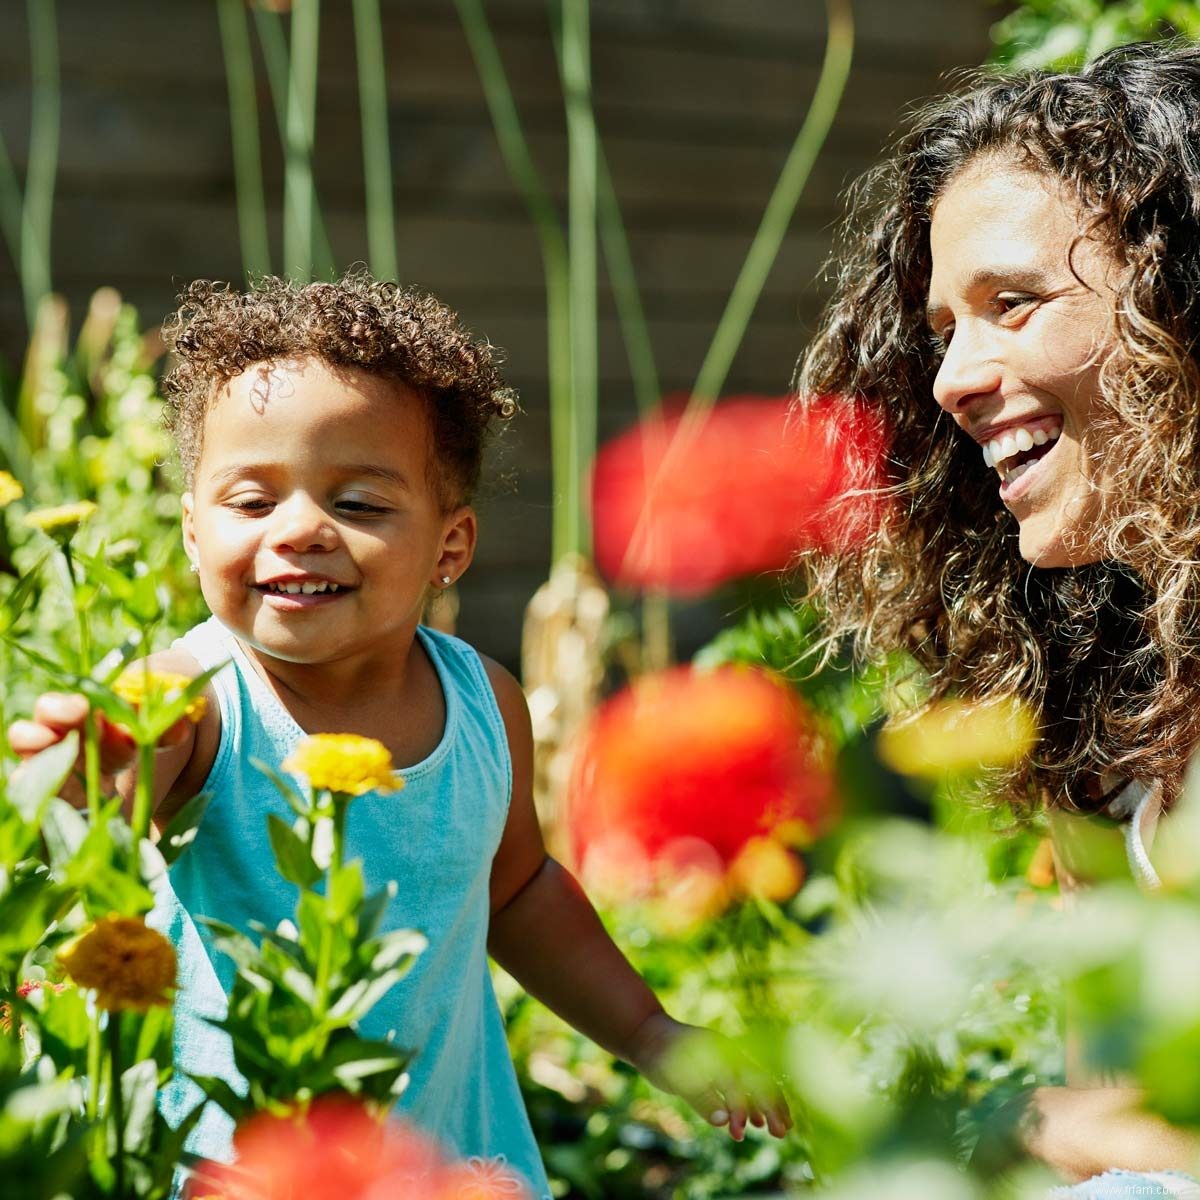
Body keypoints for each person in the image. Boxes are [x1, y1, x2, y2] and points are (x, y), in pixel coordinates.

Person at [9, 274, 790, 1199]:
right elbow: (129, 777)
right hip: (246, 1167)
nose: (300, 530)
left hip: (449, 1152)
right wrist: (92, 776)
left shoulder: (482, 702)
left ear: (449, 548)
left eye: (360, 505)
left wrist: (653, 1033)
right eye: (251, 502)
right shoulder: (198, 697)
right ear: (190, 530)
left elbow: (521, 894)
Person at [793, 38, 1200, 1196]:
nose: (951, 379)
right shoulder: (1116, 706)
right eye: (943, 328)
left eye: (1012, 304)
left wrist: (1083, 1137)